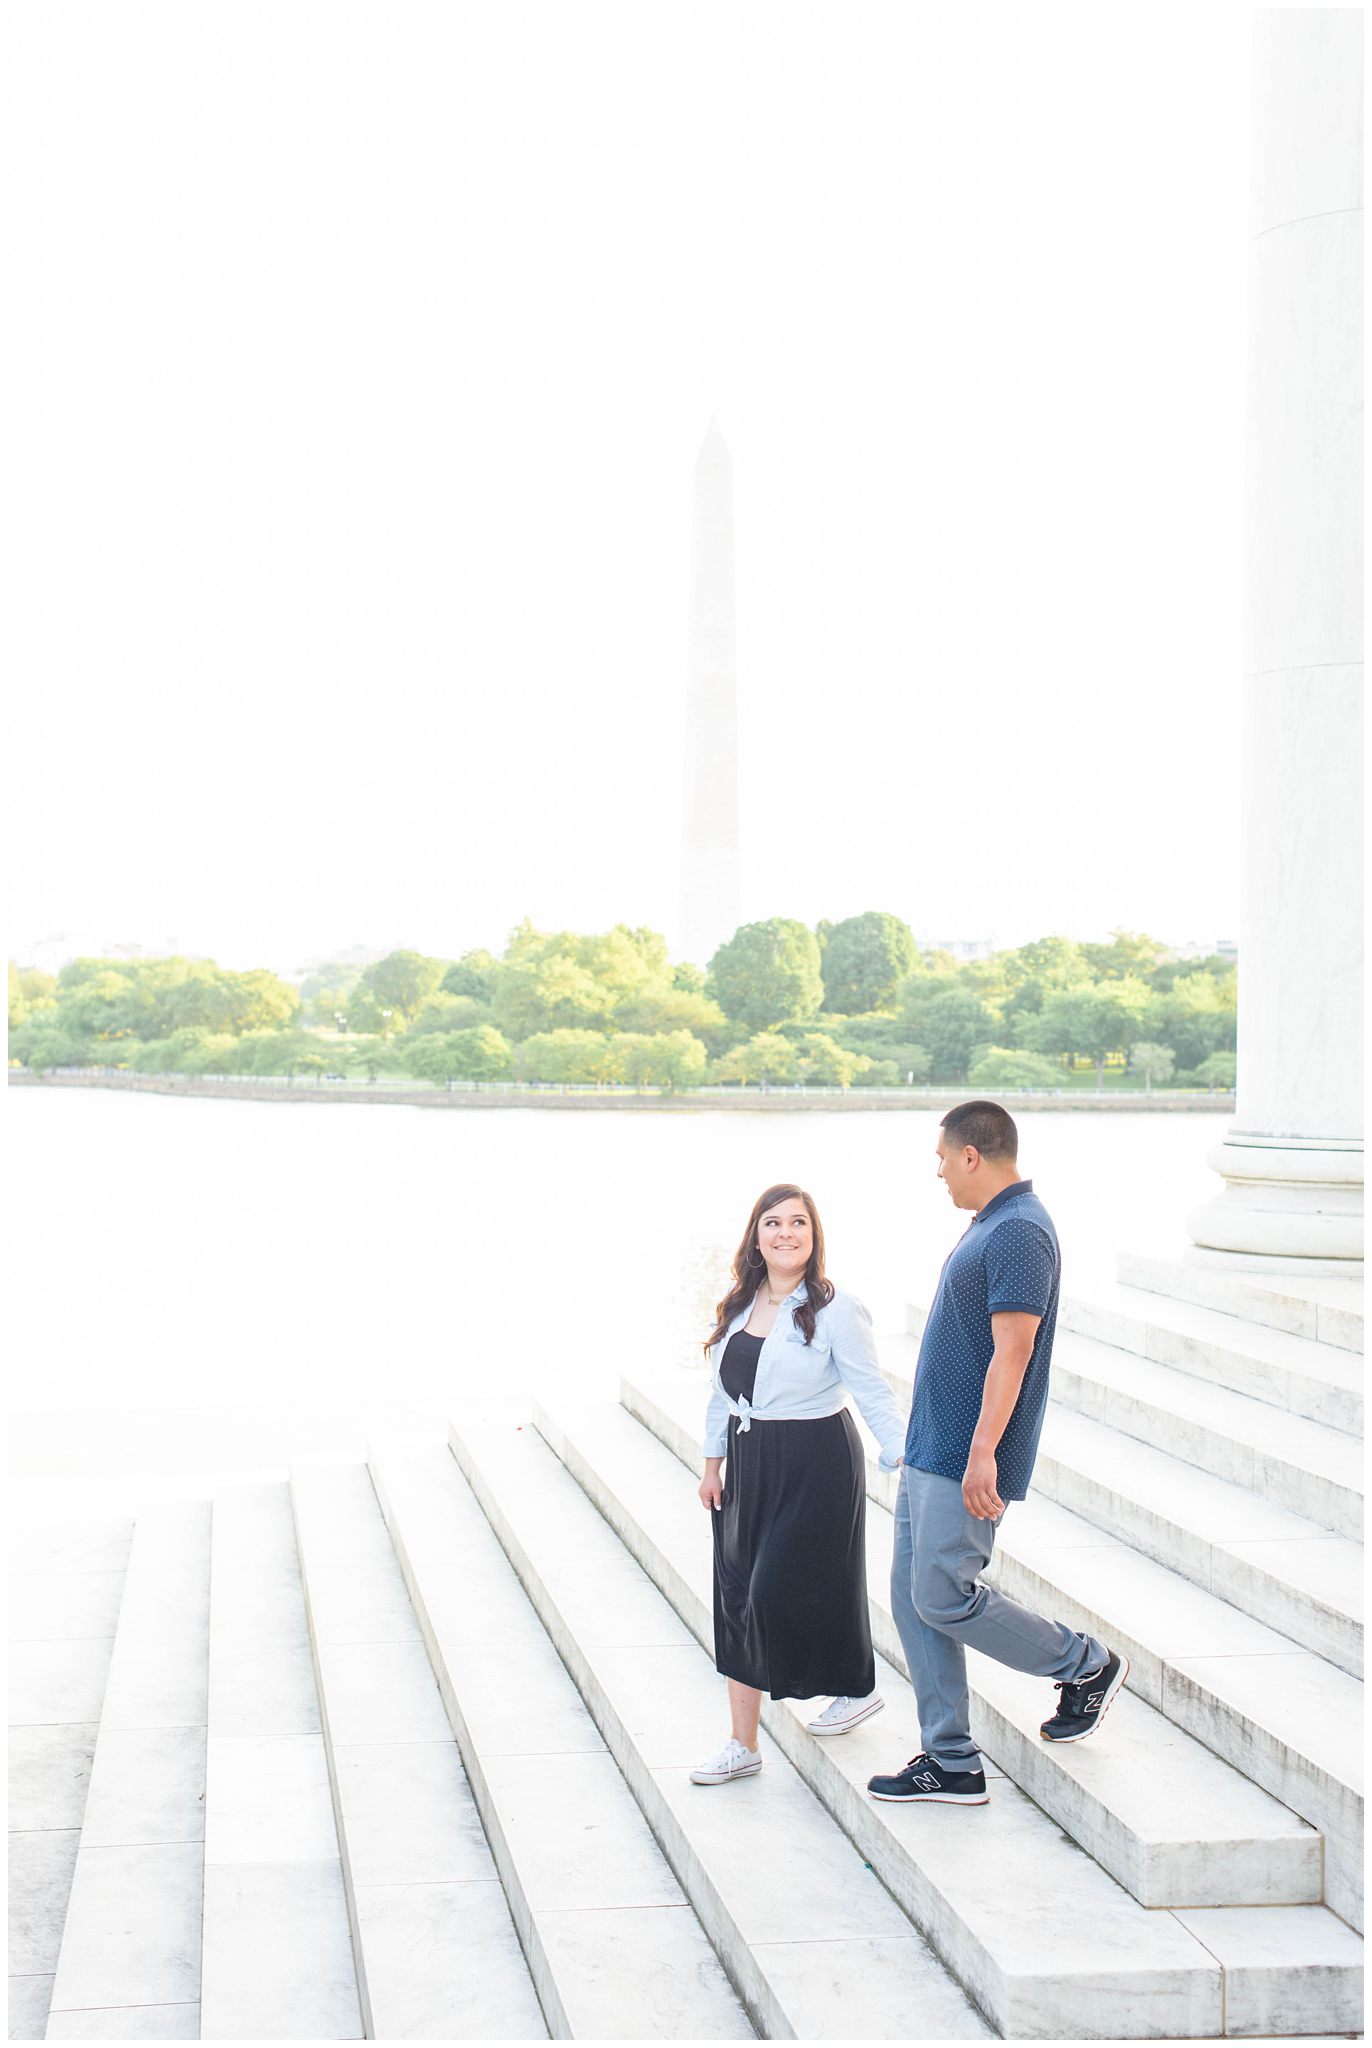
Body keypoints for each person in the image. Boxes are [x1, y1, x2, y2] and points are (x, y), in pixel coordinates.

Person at [866, 1100, 1128, 1806]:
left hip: (963, 1456)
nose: (941, 1174)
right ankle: (949, 1759)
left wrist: (984, 1453)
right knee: (915, 1601)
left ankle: (1085, 1663)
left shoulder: (1020, 1232)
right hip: (931, 1451)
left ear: (972, 1156)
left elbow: (1013, 1353)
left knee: (945, 1597)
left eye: (944, 1160)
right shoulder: (992, 1226)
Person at [689, 1182, 907, 1786]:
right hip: (747, 1458)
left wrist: (904, 1456)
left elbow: (871, 1390)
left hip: (816, 1459)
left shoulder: (837, 1308)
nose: (786, 1233)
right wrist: (712, 1466)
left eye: (799, 1224)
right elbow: (721, 1396)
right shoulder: (738, 1304)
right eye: (773, 1223)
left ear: (815, 1237)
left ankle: (852, 1685)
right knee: (735, 1595)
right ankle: (743, 1745)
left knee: (772, 1590)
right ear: (756, 1237)